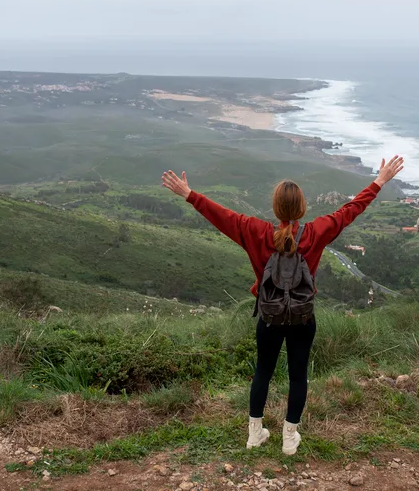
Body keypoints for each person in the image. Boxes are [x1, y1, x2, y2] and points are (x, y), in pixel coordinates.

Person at [161, 155, 404, 455]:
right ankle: (289, 439)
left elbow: (221, 215)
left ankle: (254, 435)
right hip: (302, 318)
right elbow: (349, 211)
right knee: (298, 375)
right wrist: (379, 181)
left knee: (263, 372)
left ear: (276, 208)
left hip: (269, 318)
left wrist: (189, 195)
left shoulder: (255, 231)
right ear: (301, 208)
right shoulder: (315, 232)